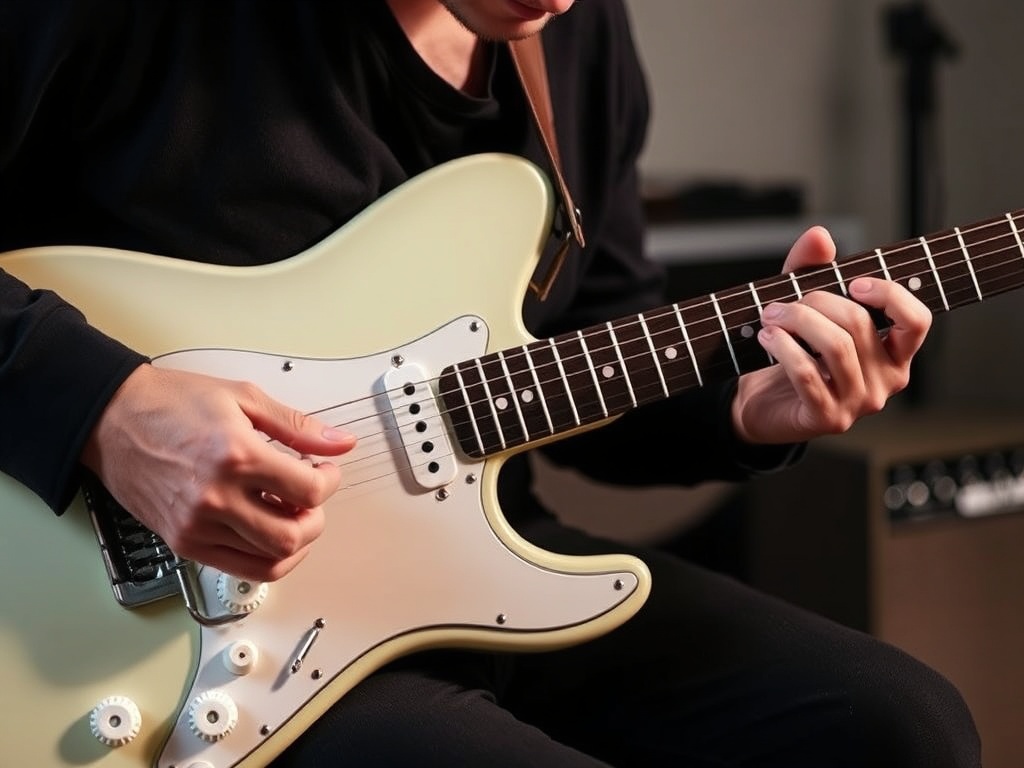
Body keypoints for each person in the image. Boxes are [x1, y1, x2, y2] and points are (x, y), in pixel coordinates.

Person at [0, 1, 981, 766]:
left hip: (478, 568)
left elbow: (585, 345)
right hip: (174, 635)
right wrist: (106, 411)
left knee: (901, 725)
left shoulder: (574, 36)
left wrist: (742, 408)